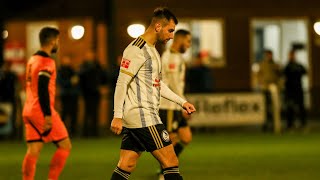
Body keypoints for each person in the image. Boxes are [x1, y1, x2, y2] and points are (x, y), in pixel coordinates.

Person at [110, 7, 196, 180]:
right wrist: (117, 115)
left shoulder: (153, 50)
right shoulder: (136, 49)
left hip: (138, 118)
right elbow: (121, 82)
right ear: (158, 26)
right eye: (170, 30)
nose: (172, 36)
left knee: (126, 164)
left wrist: (182, 102)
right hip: (144, 117)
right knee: (171, 161)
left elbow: (158, 85)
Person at [22, 27, 71, 180]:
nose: (58, 43)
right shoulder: (47, 61)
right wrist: (48, 115)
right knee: (65, 146)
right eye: (58, 40)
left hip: (28, 109)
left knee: (34, 149)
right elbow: (43, 88)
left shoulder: (32, 59)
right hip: (41, 110)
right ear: (52, 41)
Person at [158, 29, 192, 179]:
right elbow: (173, 85)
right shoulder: (170, 57)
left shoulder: (176, 56)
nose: (189, 45)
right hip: (169, 105)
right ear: (179, 40)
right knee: (170, 141)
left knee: (186, 138)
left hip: (175, 105)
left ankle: (166, 168)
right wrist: (183, 104)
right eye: (188, 41)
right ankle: (165, 172)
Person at [79, 49, 104, 137]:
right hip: (87, 93)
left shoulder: (97, 65)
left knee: (95, 113)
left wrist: (101, 86)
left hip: (96, 92)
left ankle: (95, 132)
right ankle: (85, 133)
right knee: (87, 113)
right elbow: (81, 77)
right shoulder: (84, 66)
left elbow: (103, 76)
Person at [257, 49, 282, 131]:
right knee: (265, 107)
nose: (269, 56)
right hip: (265, 88)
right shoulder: (262, 64)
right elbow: (258, 75)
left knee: (274, 107)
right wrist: (261, 84)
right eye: (267, 55)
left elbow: (279, 76)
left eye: (270, 55)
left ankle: (274, 125)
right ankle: (265, 124)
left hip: (274, 89)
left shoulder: (275, 65)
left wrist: (279, 86)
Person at [283, 49, 307, 131]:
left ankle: (303, 124)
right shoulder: (287, 66)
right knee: (290, 107)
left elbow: (305, 71)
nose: (291, 56)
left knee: (301, 107)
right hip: (289, 90)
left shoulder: (298, 65)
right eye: (290, 55)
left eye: (292, 55)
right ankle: (290, 125)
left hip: (298, 89)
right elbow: (283, 75)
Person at [57, 55, 80, 137]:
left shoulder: (73, 70)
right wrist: (70, 82)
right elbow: (60, 82)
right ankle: (62, 132)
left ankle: (73, 132)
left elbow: (77, 81)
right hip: (65, 95)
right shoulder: (60, 71)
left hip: (73, 95)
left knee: (74, 114)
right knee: (64, 114)